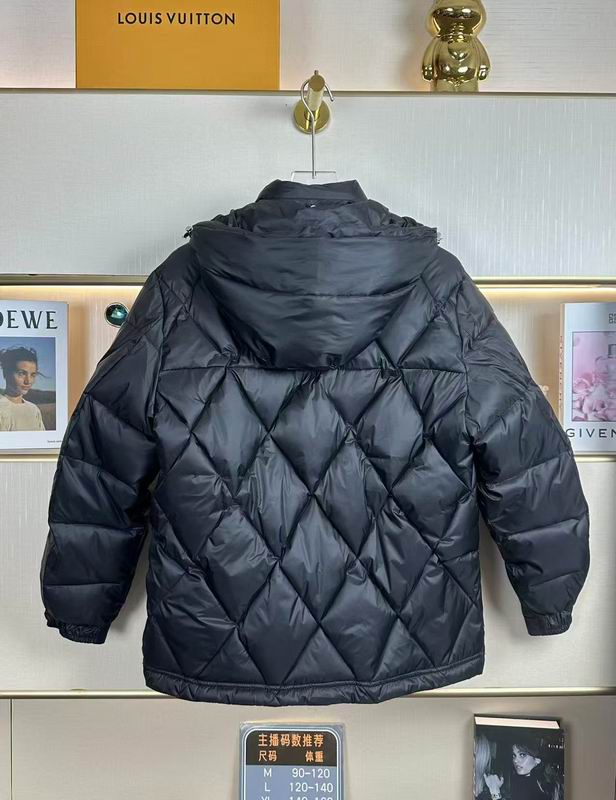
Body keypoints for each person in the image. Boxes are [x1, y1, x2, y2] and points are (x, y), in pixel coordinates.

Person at [0, 345, 46, 431]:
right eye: (21, 373)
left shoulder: (34, 409)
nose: (28, 381)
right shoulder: (1, 409)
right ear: (6, 373)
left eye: (33, 375)